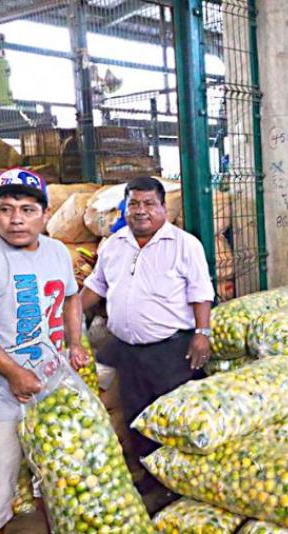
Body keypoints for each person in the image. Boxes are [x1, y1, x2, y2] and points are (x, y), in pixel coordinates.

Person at [0, 168, 86, 534]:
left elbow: (72, 297)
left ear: (43, 214)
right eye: (5, 209)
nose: (16, 220)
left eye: (27, 209)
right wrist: (12, 372)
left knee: (56, 480)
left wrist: (74, 343)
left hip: (50, 391)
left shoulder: (56, 251)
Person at [79, 176, 214, 482]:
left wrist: (202, 335)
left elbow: (201, 293)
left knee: (172, 417)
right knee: (137, 416)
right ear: (124, 208)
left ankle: (179, 485)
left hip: (170, 350)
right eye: (134, 204)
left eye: (149, 204)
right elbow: (95, 287)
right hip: (128, 349)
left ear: (163, 208)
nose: (141, 211)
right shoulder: (114, 244)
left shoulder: (184, 244)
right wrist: (68, 310)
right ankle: (150, 479)